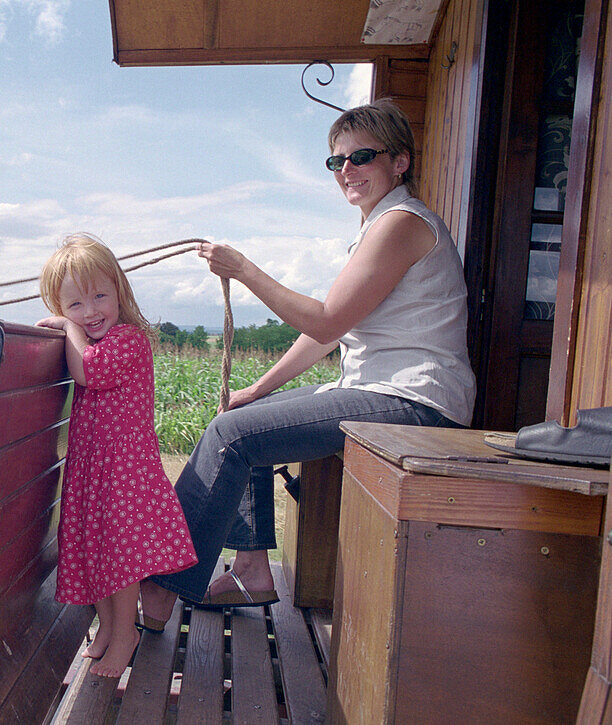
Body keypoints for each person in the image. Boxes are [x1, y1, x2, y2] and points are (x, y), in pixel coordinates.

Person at [137, 99, 476, 628]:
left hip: (415, 402)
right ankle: (251, 571)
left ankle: (160, 588)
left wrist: (244, 268)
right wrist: (257, 389)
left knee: (230, 437)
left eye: (361, 157)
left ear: (400, 162)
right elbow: (327, 334)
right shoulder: (378, 227)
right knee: (239, 417)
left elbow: (323, 323)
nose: (347, 171)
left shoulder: (401, 224)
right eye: (336, 162)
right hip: (384, 391)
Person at [36, 234, 198, 677]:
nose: (89, 313)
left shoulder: (128, 339)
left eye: (99, 296)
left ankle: (126, 634)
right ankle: (107, 628)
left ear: (119, 291)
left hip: (124, 471)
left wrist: (67, 329)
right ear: (59, 304)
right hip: (96, 468)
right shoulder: (99, 337)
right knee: (98, 551)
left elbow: (87, 372)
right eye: (74, 306)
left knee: (121, 559)